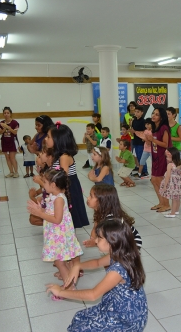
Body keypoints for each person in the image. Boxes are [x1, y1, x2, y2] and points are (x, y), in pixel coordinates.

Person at [47, 219, 147, 331]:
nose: (95, 241)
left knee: (81, 328)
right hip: (118, 306)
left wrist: (61, 292)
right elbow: (97, 262)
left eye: (99, 238)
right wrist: (77, 266)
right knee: (80, 317)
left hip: (126, 318)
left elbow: (93, 295)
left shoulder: (118, 269)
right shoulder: (121, 253)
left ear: (112, 241)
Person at [26, 168, 83, 299]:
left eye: (44, 182)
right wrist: (40, 210)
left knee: (59, 262)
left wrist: (40, 213)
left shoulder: (59, 199)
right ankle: (69, 280)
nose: (43, 185)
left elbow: (57, 219)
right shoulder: (55, 197)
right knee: (60, 261)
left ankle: (69, 287)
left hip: (59, 235)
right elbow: (52, 214)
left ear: (53, 185)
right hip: (57, 233)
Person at [46, 122, 90, 229]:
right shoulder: (58, 155)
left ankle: (67, 228)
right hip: (65, 185)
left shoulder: (64, 156)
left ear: (58, 140)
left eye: (48, 137)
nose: (45, 139)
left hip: (68, 186)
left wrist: (57, 192)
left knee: (69, 210)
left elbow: (63, 176)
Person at [83, 184, 142, 250]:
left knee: (114, 256)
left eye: (91, 196)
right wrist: (93, 240)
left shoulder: (111, 220)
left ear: (102, 201)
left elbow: (113, 241)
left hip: (130, 245)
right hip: (119, 242)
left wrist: (95, 242)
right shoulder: (101, 213)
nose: (88, 198)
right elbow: (95, 228)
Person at [144, 108, 172, 213]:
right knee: (154, 180)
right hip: (155, 157)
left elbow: (165, 144)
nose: (154, 116)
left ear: (161, 117)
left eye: (157, 114)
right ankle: (161, 202)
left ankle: (167, 204)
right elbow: (152, 143)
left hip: (163, 157)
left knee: (160, 180)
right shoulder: (154, 128)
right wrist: (148, 140)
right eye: (153, 113)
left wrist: (153, 140)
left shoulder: (164, 128)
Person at [159, 147, 181, 218]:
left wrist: (165, 186)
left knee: (174, 199)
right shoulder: (179, 163)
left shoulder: (170, 165)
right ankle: (176, 210)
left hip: (172, 184)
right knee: (177, 198)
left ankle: (172, 213)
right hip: (178, 183)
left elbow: (168, 176)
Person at [0, 106, 20, 178]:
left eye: (8, 113)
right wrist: (4, 128)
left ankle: (16, 172)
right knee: (7, 158)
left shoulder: (14, 122)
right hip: (4, 141)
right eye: (5, 113)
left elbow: (15, 132)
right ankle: (11, 172)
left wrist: (8, 127)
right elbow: (0, 132)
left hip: (12, 141)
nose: (6, 114)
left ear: (10, 114)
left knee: (12, 157)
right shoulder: (1, 123)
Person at [130, 105, 148, 177]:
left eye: (138, 112)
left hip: (141, 142)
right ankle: (140, 170)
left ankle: (145, 171)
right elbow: (133, 131)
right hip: (135, 141)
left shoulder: (143, 121)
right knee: (137, 156)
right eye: (135, 112)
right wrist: (131, 131)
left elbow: (144, 132)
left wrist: (135, 132)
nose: (136, 113)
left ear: (142, 113)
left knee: (141, 157)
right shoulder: (134, 121)